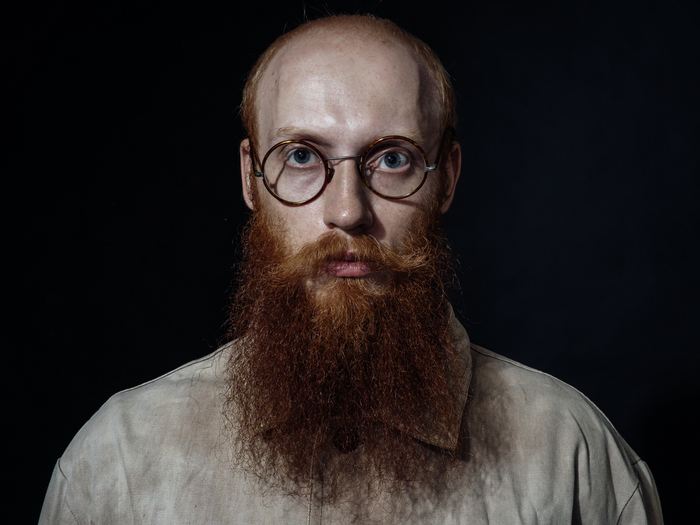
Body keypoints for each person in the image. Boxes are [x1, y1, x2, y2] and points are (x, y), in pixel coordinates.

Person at [39, 14, 663, 524]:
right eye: (301, 156)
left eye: (392, 158)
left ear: (446, 179)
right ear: (250, 179)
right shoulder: (118, 461)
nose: (347, 211)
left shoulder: (573, 454)